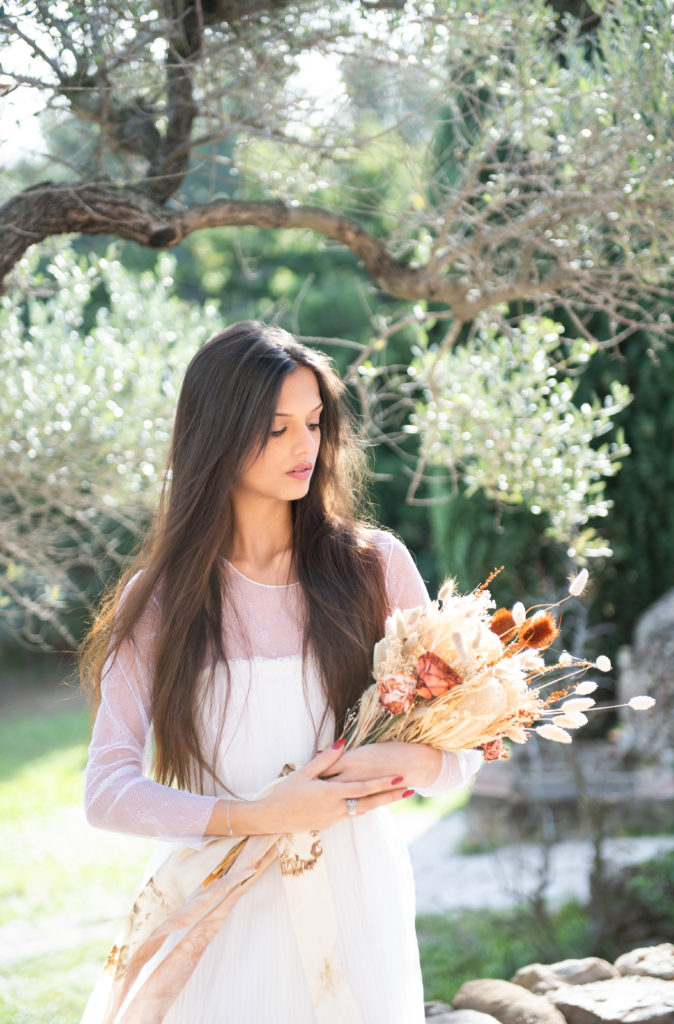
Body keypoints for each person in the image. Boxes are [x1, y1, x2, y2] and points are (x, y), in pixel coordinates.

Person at [80, 321, 482, 1024]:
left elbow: (465, 750)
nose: (305, 447)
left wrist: (409, 760)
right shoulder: (163, 599)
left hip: (360, 901)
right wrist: (255, 816)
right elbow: (106, 791)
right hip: (219, 900)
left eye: (314, 423)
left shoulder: (373, 567)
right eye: (275, 428)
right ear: (217, 435)